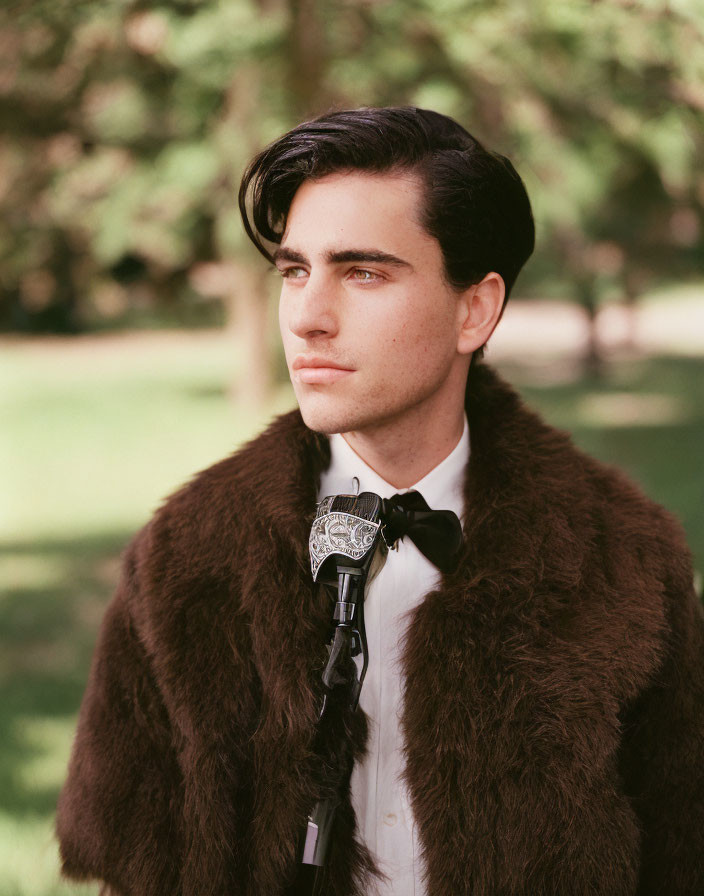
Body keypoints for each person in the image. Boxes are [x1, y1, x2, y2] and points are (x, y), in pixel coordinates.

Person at [56, 107, 704, 896]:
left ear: (476, 308)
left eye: (363, 273)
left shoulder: (624, 558)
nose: (306, 317)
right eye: (295, 270)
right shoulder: (184, 559)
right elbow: (137, 870)